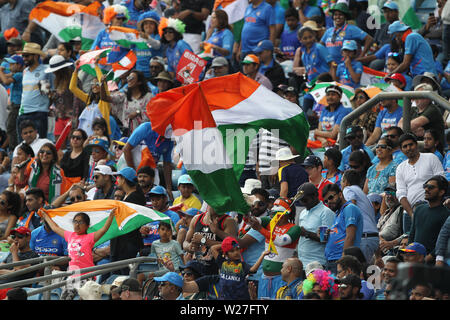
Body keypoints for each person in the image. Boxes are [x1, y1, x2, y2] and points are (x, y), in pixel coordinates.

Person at [40, 209, 115, 299]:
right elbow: (55, 228)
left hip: (86, 275)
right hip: (72, 276)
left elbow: (103, 230)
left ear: (87, 226)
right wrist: (45, 216)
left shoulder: (90, 237)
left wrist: (111, 216)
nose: (77, 224)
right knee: (65, 298)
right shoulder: (70, 235)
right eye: (75, 221)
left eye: (81, 222)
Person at [245, 197, 301, 299]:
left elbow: (281, 241)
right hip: (264, 278)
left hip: (281, 279)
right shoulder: (269, 221)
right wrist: (245, 211)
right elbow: (251, 221)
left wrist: (260, 229)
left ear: (286, 213)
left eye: (276, 213)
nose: (273, 215)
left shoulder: (294, 228)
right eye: (273, 212)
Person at [183, 236, 269, 300]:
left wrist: (262, 255)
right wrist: (226, 244)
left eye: (237, 249)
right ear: (226, 254)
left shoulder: (241, 265)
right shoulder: (222, 262)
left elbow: (253, 270)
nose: (236, 252)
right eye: (232, 251)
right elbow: (213, 248)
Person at [396, 133, 444, 232]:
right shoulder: (400, 168)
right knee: (410, 246)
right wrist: (412, 214)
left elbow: (441, 181)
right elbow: (401, 193)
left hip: (431, 209)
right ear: (401, 150)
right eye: (405, 146)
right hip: (409, 213)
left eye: (411, 144)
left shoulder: (431, 158)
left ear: (416, 145)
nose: (409, 148)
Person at [123, 121, 174, 200]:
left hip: (151, 169)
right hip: (131, 165)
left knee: (154, 195)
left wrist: (169, 188)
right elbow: (126, 149)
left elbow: (167, 164)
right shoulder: (145, 128)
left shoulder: (170, 139)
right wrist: (133, 175)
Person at [322, 183, 364, 274]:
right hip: (331, 260)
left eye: (331, 197)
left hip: (340, 261)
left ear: (340, 194)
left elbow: (350, 236)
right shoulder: (338, 212)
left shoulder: (350, 208)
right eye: (326, 201)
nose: (329, 202)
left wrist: (343, 260)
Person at [111, 167, 146, 274]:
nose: (117, 179)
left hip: (128, 244)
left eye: (119, 177)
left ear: (124, 179)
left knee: (125, 275)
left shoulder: (135, 197)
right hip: (120, 243)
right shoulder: (126, 196)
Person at [409, 175, 449, 263]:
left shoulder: (446, 214)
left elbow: (444, 240)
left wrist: (430, 257)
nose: (426, 189)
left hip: (432, 262)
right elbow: (412, 234)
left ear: (441, 192)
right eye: (425, 186)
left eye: (431, 187)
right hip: (414, 259)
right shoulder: (419, 209)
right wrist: (409, 253)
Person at [16, 43, 53, 139]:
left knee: (39, 145)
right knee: (23, 147)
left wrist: (46, 106)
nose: (24, 58)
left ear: (36, 56)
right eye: (23, 56)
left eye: (27, 56)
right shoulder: (25, 71)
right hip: (23, 113)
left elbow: (48, 92)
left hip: (38, 113)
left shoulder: (45, 70)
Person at [341, 170, 379, 263]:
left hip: (364, 238)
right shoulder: (363, 195)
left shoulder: (348, 189)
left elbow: (352, 205)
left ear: (346, 182)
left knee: (358, 272)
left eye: (342, 181)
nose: (341, 184)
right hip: (373, 238)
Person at [296, 183, 335, 268]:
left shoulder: (325, 212)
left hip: (317, 263)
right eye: (300, 200)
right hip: (302, 262)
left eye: (305, 200)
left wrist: (306, 233)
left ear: (315, 196)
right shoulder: (303, 212)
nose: (303, 203)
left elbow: (325, 239)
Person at [45, 55, 75, 142]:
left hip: (71, 116)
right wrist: (50, 94)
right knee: (58, 144)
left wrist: (75, 116)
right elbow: (56, 99)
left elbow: (77, 99)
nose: (53, 73)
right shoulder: (57, 80)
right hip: (59, 116)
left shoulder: (73, 78)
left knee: (73, 142)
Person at [0, 54, 24, 150]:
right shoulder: (16, 74)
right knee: (12, 127)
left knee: (11, 127)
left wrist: (0, 70)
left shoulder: (19, 74)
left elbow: (5, 81)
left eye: (11, 64)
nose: (9, 67)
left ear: (18, 65)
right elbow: (5, 77)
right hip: (14, 105)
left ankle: (14, 148)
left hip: (17, 105)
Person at [378, 184, 406, 255]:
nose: (389, 196)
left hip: (392, 250)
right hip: (379, 247)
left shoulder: (402, 210)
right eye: (387, 193)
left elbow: (408, 233)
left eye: (393, 193)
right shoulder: (386, 213)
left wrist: (391, 243)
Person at [136, 11, 162, 79]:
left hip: (153, 74)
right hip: (138, 73)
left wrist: (147, 38)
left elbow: (157, 45)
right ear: (142, 26)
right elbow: (128, 46)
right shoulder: (137, 38)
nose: (148, 26)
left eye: (151, 24)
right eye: (146, 24)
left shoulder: (157, 36)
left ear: (155, 26)